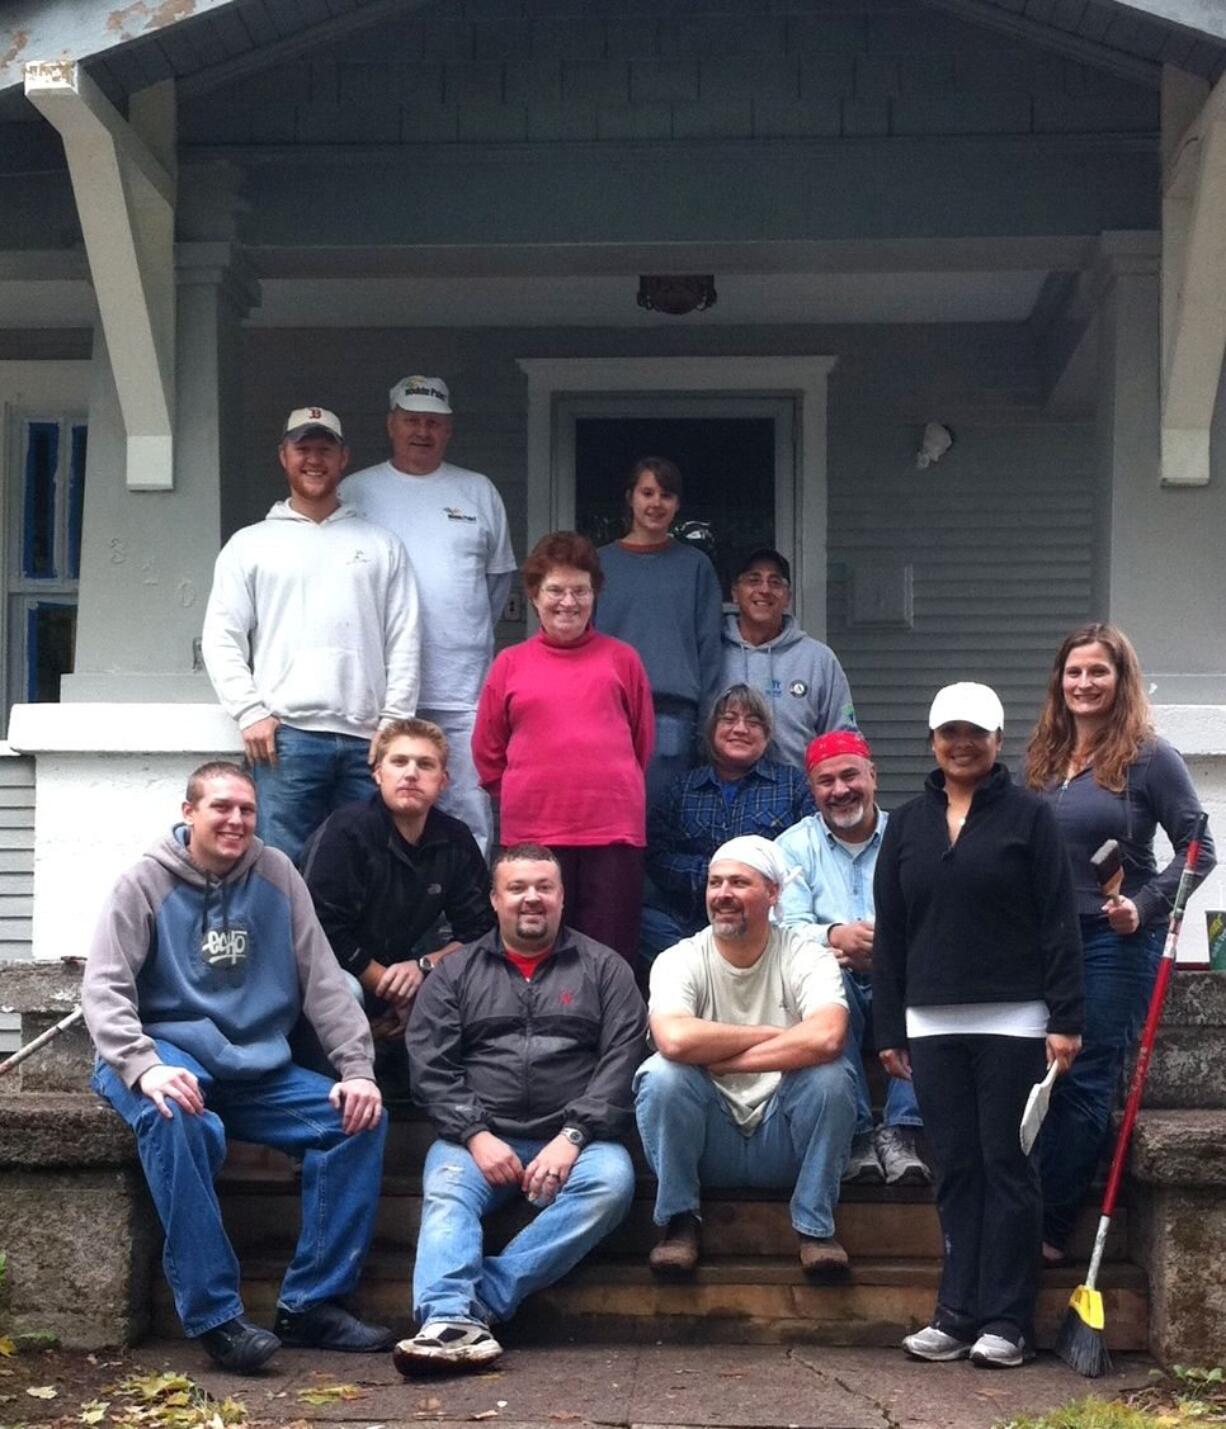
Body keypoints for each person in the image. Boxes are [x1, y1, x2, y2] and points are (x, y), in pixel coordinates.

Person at [82, 762, 392, 1374]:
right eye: (221, 807)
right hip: (161, 1053)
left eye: (247, 809)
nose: (236, 820)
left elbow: (325, 984)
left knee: (356, 1120)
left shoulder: (277, 874)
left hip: (254, 1066)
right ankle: (215, 1316)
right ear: (188, 811)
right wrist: (143, 1067)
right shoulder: (142, 883)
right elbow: (105, 990)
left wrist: (357, 1069)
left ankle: (312, 1304)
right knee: (181, 1120)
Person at [872, 683, 1083, 1369]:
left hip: (1016, 1020)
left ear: (998, 739)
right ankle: (955, 1312)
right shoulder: (905, 824)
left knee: (1008, 1166)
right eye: (949, 732)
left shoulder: (1031, 817)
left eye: (976, 732)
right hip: (930, 1022)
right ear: (932, 740)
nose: (962, 744)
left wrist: (1065, 1017)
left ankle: (1007, 1320)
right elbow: (892, 932)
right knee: (957, 1166)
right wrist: (888, 1026)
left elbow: (1059, 919)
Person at [395, 843, 646, 1372]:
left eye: (544, 888)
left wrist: (574, 1135)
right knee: (446, 1190)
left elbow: (622, 1064)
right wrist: (475, 1134)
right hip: (476, 1139)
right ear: (494, 899)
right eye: (517, 888)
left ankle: (479, 1303)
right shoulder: (454, 974)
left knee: (612, 1185)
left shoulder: (606, 969)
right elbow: (431, 1067)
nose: (531, 898)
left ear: (561, 897)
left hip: (577, 1141)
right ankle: (443, 1317)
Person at [1024, 623, 1215, 1265]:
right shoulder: (1047, 756)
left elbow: (1198, 848)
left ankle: (1050, 1228)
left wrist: (1146, 902)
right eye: (1074, 672)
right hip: (1047, 939)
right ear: (1060, 681)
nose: (1084, 684)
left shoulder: (1148, 757)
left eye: (1097, 672)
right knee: (1034, 1074)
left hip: (1115, 939)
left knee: (1083, 1076)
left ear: (1120, 679)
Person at [202, 406, 420, 866]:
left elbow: (404, 637)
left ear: (344, 459)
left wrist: (394, 721)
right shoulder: (250, 544)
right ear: (284, 456)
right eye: (303, 449)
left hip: (368, 742)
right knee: (282, 869)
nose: (314, 460)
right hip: (285, 742)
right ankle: (288, 944)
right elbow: (222, 636)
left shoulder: (381, 544)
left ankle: (356, 945)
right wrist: (249, 712)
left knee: (366, 868)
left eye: (325, 449)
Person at [634, 835, 856, 1279]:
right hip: (708, 1137)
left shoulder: (806, 956)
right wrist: (776, 1035)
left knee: (833, 1077)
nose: (723, 894)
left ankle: (814, 1227)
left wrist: (723, 1059)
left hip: (783, 1136)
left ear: (773, 893)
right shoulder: (680, 958)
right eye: (715, 883)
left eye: (739, 882)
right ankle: (679, 1223)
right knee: (661, 1076)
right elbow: (674, 1040)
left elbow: (828, 1036)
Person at [341, 376, 517, 856]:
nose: (422, 431)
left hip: (462, 684)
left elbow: (497, 583)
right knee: (382, 801)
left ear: (449, 430)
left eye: (433, 423)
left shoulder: (477, 490)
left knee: (467, 800)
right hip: (378, 685)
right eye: (412, 420)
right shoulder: (355, 491)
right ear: (391, 424)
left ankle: (471, 915)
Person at [472, 531, 654, 965]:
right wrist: (534, 792)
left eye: (580, 591)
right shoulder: (510, 664)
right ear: (535, 594)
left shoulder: (622, 659)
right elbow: (487, 751)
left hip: (612, 832)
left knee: (610, 955)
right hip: (534, 834)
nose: (567, 602)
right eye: (555, 590)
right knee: (536, 949)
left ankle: (610, 1034)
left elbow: (641, 742)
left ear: (595, 595)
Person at [776, 730, 929, 1185]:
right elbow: (783, 927)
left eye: (850, 776)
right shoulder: (791, 846)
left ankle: (901, 1130)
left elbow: (934, 912)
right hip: (833, 978)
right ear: (812, 790)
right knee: (827, 980)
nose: (840, 790)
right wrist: (834, 935)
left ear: (873, 776)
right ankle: (859, 1132)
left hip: (899, 977)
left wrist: (892, 946)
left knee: (929, 978)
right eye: (826, 782)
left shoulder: (911, 837)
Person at [301, 717, 495, 1044]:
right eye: (399, 762)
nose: (411, 773)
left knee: (481, 978)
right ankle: (337, 1087)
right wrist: (390, 989)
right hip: (337, 969)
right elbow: (319, 926)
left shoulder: (455, 837)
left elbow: (482, 927)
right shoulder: (346, 831)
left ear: (443, 780)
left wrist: (426, 967)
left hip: (411, 968)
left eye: (425, 764)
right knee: (346, 991)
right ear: (378, 774)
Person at [642, 684, 815, 963]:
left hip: (765, 923)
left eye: (753, 722)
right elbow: (656, 854)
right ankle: (709, 969)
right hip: (688, 920)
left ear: (767, 735)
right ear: (711, 731)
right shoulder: (683, 788)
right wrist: (711, 876)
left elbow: (810, 854)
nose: (741, 729)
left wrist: (751, 880)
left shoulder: (793, 786)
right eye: (729, 719)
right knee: (642, 923)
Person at [593, 457, 724, 809]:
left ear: (677, 504)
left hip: (671, 718)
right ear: (630, 497)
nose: (655, 503)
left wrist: (707, 727)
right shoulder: (598, 565)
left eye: (666, 495)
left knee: (663, 825)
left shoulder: (695, 566)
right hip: (605, 716)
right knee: (610, 828)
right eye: (647, 492)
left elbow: (709, 650)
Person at [721, 548, 856, 770]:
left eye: (775, 582)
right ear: (735, 592)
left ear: (787, 597)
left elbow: (843, 736)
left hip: (798, 796)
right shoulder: (711, 652)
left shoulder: (818, 659)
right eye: (753, 580)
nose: (764, 589)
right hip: (721, 793)